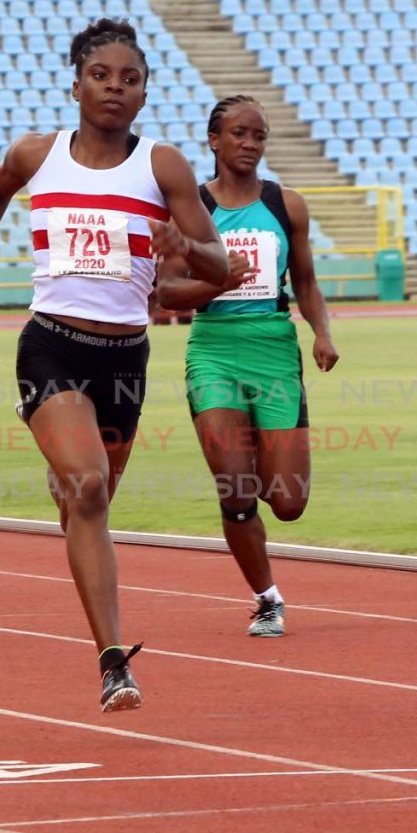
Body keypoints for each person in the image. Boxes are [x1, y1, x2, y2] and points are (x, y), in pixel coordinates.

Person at [0, 19, 231, 711]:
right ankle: (112, 662)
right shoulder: (37, 154)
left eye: (129, 79)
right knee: (90, 488)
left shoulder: (162, 167)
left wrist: (181, 246)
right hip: (51, 344)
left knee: (84, 505)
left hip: (124, 355)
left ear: (144, 93)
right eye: (101, 75)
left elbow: (222, 267)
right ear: (76, 84)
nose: (114, 88)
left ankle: (64, 468)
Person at [156, 95, 339, 638]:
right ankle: (267, 600)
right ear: (214, 140)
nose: (250, 144)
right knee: (236, 491)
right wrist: (218, 282)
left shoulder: (288, 205)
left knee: (288, 502)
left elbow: (304, 281)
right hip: (214, 348)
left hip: (274, 350)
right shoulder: (195, 211)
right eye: (238, 133)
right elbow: (165, 291)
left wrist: (322, 332)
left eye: (258, 135)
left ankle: (249, 456)